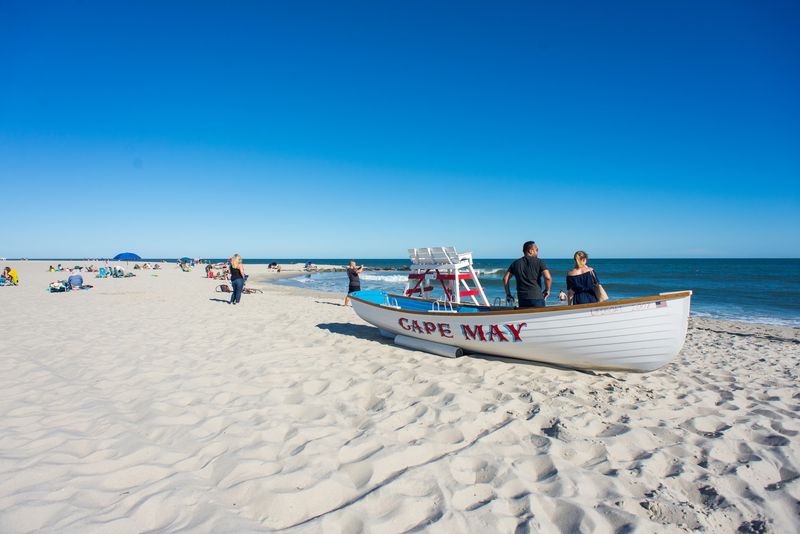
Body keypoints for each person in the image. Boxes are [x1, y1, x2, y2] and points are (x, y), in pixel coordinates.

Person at [503, 241, 552, 308]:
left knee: (525, 318)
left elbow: (505, 278)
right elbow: (547, 277)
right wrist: (547, 290)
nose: (537, 252)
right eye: (536, 250)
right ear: (530, 251)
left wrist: (508, 294)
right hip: (537, 297)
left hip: (522, 298)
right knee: (538, 318)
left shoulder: (515, 263)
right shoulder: (539, 262)